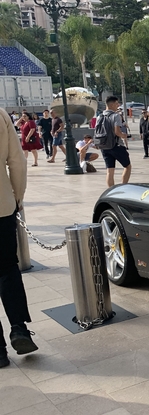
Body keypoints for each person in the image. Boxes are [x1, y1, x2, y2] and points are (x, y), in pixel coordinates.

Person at [0, 107, 39, 368]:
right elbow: (16, 161)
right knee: (7, 268)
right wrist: (16, 197)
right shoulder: (1, 115)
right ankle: (19, 327)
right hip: (0, 207)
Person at [99, 96, 132, 187]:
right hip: (116, 145)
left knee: (110, 171)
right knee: (127, 166)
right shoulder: (116, 115)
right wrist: (123, 135)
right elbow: (117, 132)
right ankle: (123, 186)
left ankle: (111, 190)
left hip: (104, 146)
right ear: (112, 104)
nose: (118, 105)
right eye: (117, 103)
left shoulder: (100, 116)